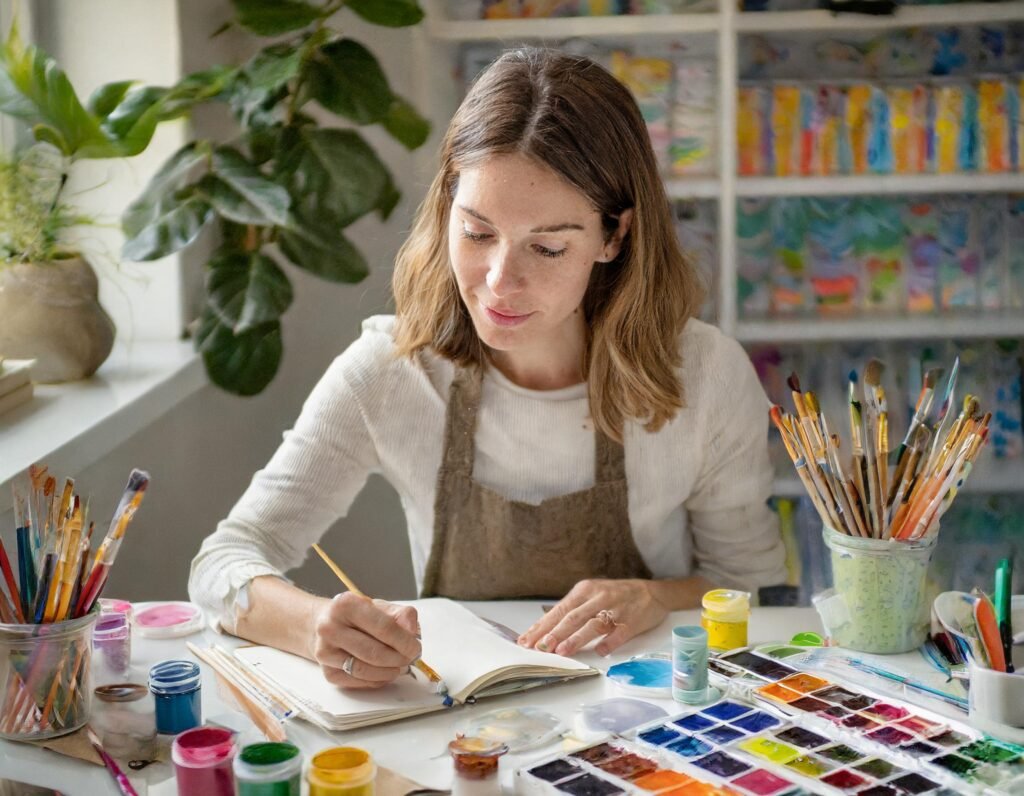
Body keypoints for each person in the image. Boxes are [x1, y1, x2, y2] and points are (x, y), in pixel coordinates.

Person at [189, 47, 786, 690]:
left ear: (614, 238)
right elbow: (222, 562)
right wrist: (314, 627)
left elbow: (747, 586)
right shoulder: (391, 373)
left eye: (548, 246)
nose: (500, 281)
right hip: (465, 727)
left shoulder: (704, 375)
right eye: (476, 233)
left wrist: (656, 598)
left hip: (648, 711)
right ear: (447, 207)